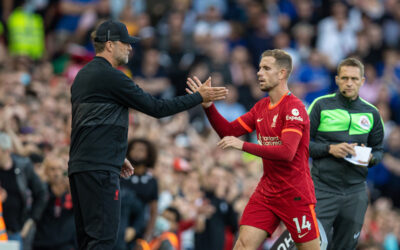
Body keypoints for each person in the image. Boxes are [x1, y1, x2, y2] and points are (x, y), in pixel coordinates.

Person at [68, 19, 228, 250]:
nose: (131, 48)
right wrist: (198, 97)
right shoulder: (112, 77)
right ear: (110, 45)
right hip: (100, 170)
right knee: (103, 240)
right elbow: (157, 108)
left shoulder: (82, 77)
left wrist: (115, 153)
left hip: (82, 166)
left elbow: (84, 124)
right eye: (126, 43)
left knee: (87, 240)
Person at [186, 49, 320, 250]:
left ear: (282, 73)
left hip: (295, 194)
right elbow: (228, 131)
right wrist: (208, 106)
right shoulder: (261, 107)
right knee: (242, 246)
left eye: (266, 68)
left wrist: (242, 145)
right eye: (259, 68)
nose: (259, 73)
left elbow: (287, 153)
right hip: (267, 192)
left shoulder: (294, 108)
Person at [307, 58, 384, 250]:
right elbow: (301, 145)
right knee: (312, 245)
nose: (349, 83)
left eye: (354, 79)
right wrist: (329, 149)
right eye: (345, 78)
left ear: (362, 81)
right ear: (337, 79)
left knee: (346, 246)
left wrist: (371, 158)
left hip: (355, 191)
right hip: (322, 189)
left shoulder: (372, 113)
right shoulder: (320, 105)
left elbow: (379, 150)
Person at [0, 132, 48, 250]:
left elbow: (42, 193)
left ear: (6, 151)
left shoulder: (23, 166)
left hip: (15, 230)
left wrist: (31, 220)